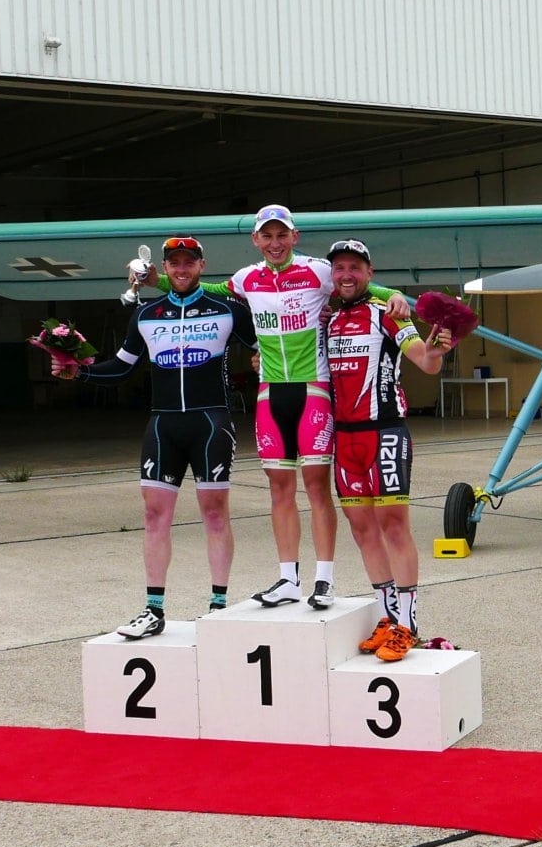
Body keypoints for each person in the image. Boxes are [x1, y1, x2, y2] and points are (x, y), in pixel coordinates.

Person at [142, 203, 410, 610]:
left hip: (313, 389)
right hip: (270, 394)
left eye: (282, 234)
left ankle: (324, 580)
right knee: (279, 488)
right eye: (266, 236)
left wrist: (396, 296)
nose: (275, 243)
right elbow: (204, 288)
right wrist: (157, 280)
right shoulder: (247, 278)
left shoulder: (319, 270)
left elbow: (358, 284)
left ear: (294, 236)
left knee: (316, 487)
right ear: (255, 240)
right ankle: (288, 579)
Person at [60, 236, 256, 637]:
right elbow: (121, 367)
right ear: (163, 268)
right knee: (153, 516)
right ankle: (153, 610)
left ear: (202, 266)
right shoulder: (146, 314)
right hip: (163, 425)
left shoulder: (228, 309)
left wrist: (263, 362)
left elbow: (269, 347)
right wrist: (78, 371)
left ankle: (218, 607)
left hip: (210, 423)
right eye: (174, 263)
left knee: (214, 513)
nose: (181, 269)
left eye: (189, 262)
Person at [323, 239, 455, 662]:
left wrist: (437, 350)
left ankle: (408, 627)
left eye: (354, 267)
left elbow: (425, 361)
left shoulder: (389, 313)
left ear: (370, 272)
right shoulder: (328, 318)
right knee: (362, 530)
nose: (346, 275)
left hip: (384, 433)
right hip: (344, 439)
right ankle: (387, 617)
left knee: (393, 526)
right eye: (339, 268)